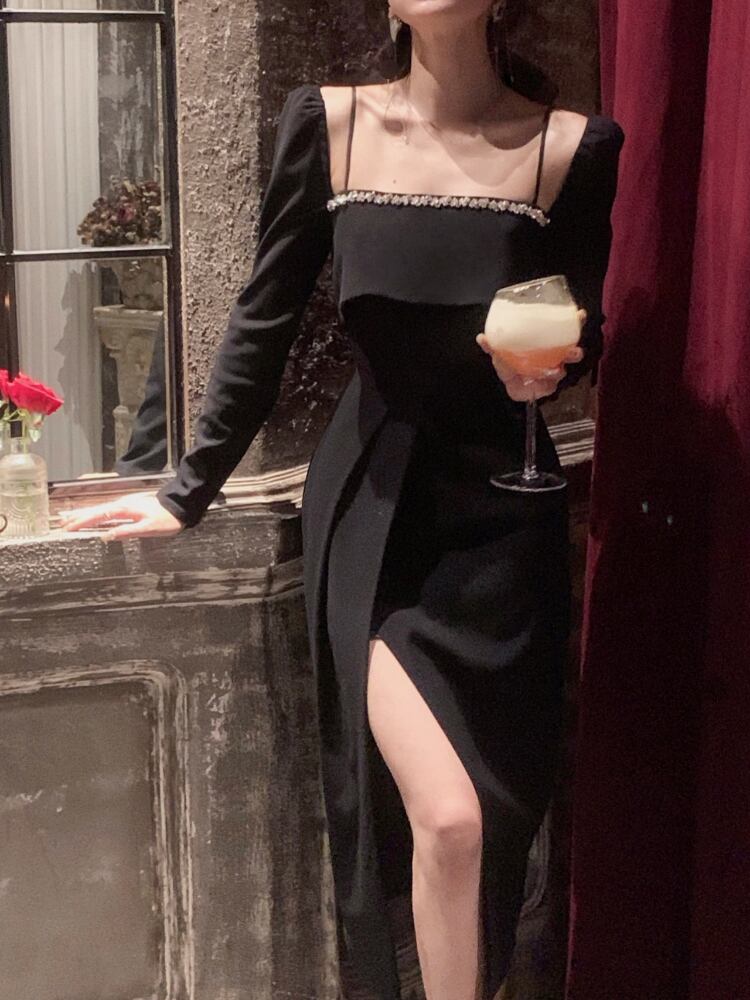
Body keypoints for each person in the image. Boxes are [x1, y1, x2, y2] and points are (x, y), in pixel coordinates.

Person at [59, 2, 624, 997]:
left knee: (495, 827)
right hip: (378, 513)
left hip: (509, 523)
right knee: (447, 819)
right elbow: (263, 320)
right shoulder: (332, 125)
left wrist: (557, 366)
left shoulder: (573, 146)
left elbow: (582, 324)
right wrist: (185, 490)